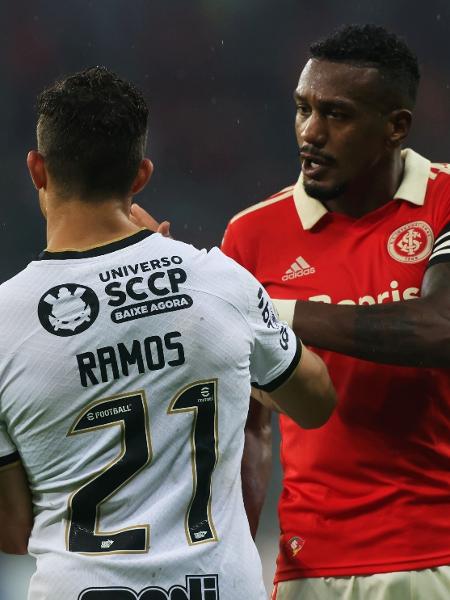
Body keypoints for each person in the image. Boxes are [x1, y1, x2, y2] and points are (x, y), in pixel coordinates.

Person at [0, 67, 336, 600]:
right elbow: (317, 402)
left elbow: (12, 530)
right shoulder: (219, 282)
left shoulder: (4, 323)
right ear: (141, 175)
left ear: (37, 170)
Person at [220, 24, 450, 600]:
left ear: (396, 126)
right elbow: (249, 420)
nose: (310, 133)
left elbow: (440, 329)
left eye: (337, 115)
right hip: (309, 563)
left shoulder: (446, 200)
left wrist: (277, 310)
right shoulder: (252, 235)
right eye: (303, 109)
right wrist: (241, 549)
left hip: (436, 552)